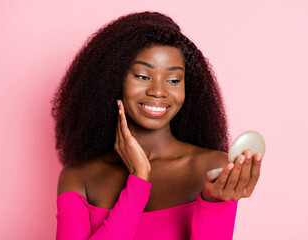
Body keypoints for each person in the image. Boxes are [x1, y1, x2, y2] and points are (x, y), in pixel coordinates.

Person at [52, 11, 263, 240]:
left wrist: (214, 204)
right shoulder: (79, 176)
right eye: (142, 76)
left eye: (173, 80)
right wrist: (139, 179)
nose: (159, 91)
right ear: (113, 80)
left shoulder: (212, 169)